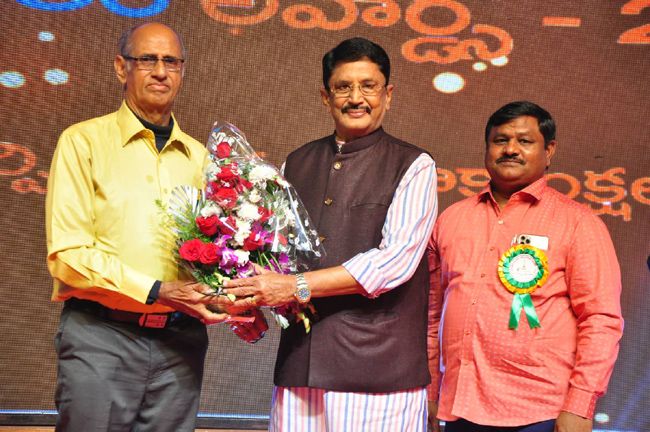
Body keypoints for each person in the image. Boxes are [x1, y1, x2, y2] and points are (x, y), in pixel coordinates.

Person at [220, 37, 438, 431]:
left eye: (368, 86)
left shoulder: (414, 164)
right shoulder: (296, 162)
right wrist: (249, 300)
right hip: (300, 361)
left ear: (388, 95)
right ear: (326, 97)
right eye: (343, 87)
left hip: (378, 371)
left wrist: (295, 287)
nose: (356, 98)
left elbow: (395, 261)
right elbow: (276, 256)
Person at [45, 23, 235, 432]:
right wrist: (156, 290)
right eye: (147, 59)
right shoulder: (83, 142)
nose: (161, 72)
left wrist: (234, 296)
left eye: (171, 62)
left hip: (180, 345)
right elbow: (68, 257)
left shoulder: (202, 160)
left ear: (182, 71)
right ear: (121, 67)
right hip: (102, 336)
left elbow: (215, 256)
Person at [427, 101, 624, 432]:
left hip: (539, 412)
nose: (510, 150)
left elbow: (600, 320)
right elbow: (431, 317)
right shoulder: (452, 219)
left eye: (525, 141)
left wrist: (580, 406)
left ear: (549, 151)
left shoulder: (578, 223)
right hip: (459, 407)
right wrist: (431, 391)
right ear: (487, 148)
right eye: (500, 140)